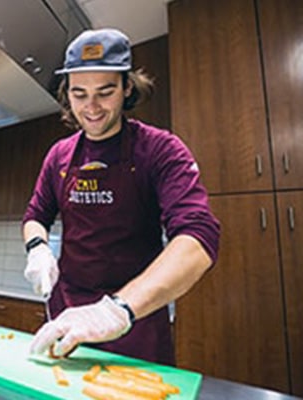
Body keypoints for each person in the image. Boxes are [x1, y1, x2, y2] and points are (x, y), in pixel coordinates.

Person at [22, 28, 220, 365]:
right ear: (67, 94)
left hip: (134, 321)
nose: (92, 107)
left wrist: (117, 311)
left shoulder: (160, 149)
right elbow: (35, 216)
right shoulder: (59, 156)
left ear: (127, 87)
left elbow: (198, 238)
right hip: (67, 318)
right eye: (79, 94)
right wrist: (37, 249)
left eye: (105, 91)